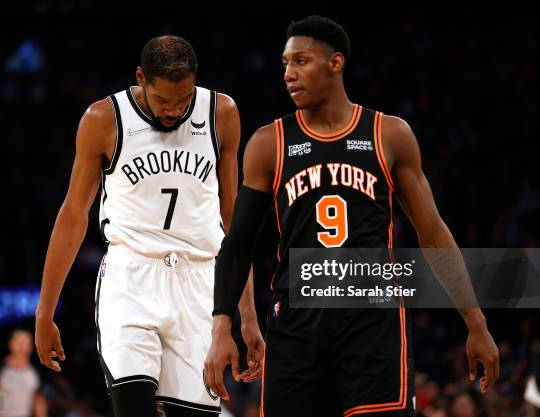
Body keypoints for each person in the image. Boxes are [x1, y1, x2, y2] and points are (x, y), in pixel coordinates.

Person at [204, 15, 500, 417]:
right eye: (285, 64)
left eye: (301, 62)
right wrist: (223, 324)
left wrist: (476, 322)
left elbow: (432, 234)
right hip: (296, 320)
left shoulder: (388, 134)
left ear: (335, 63)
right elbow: (238, 243)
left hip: (371, 319)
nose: (289, 74)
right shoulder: (267, 142)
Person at [34, 35, 263, 417]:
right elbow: (73, 215)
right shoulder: (103, 119)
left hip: (200, 282)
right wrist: (45, 310)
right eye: (162, 100)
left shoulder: (222, 113)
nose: (173, 110)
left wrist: (248, 315)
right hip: (131, 278)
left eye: (182, 99)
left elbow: (233, 222)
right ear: (141, 78)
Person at [0, 329, 47, 417]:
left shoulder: (35, 371)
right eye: (19, 342)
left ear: (31, 347)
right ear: (11, 344)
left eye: (26, 343)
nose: (22, 346)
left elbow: (39, 400)